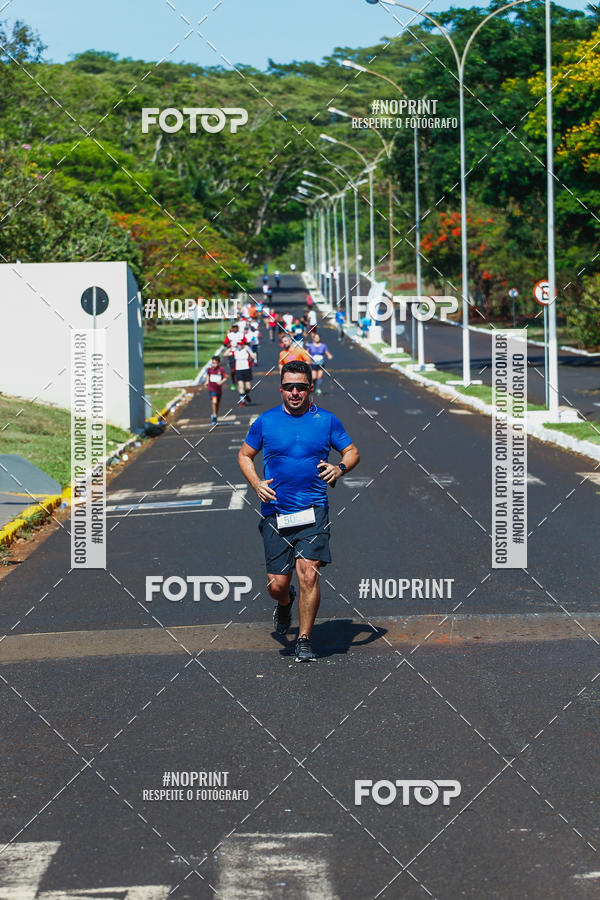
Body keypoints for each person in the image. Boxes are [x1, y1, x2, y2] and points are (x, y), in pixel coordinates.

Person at [238, 361, 360, 662]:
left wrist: (339, 467)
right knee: (278, 585)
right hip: (276, 512)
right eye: (289, 387)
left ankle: (304, 639)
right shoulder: (265, 422)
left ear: (310, 389)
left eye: (301, 387)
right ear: (281, 389)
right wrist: (256, 483)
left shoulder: (326, 421)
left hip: (313, 510)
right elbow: (244, 455)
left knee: (308, 574)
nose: (295, 392)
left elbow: (352, 451)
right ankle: (285, 603)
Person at [227, 340, 257, 407]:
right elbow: (225, 354)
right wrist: (231, 347)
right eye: (238, 344)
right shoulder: (235, 352)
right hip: (238, 370)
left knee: (248, 387)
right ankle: (242, 401)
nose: (239, 346)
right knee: (241, 386)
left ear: (243, 345)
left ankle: (245, 395)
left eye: (241, 344)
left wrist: (249, 349)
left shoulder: (246, 351)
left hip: (247, 370)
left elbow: (254, 357)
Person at [223, 323, 247, 391]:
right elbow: (225, 343)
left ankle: (241, 382)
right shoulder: (229, 335)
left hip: (240, 353)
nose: (235, 328)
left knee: (240, 369)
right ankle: (233, 382)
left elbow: (245, 342)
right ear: (232, 328)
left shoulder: (241, 334)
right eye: (233, 327)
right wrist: (227, 344)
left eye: (236, 327)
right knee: (233, 370)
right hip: (232, 353)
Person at [204, 355, 227, 424]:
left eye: (215, 363)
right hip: (211, 388)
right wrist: (207, 381)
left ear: (218, 363)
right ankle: (214, 415)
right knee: (214, 401)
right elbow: (208, 376)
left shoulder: (221, 370)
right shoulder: (209, 369)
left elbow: (225, 378)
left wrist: (221, 382)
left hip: (218, 389)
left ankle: (215, 415)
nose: (214, 364)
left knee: (217, 403)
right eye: (213, 363)